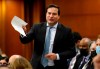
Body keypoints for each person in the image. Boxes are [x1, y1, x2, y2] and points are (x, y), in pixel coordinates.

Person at [20, 4, 76, 69]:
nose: (51, 16)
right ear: (46, 14)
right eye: (49, 13)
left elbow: (72, 52)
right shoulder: (37, 27)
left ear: (58, 16)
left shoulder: (66, 31)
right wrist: (22, 32)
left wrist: (57, 56)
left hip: (57, 66)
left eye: (54, 14)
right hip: (38, 65)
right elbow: (24, 40)